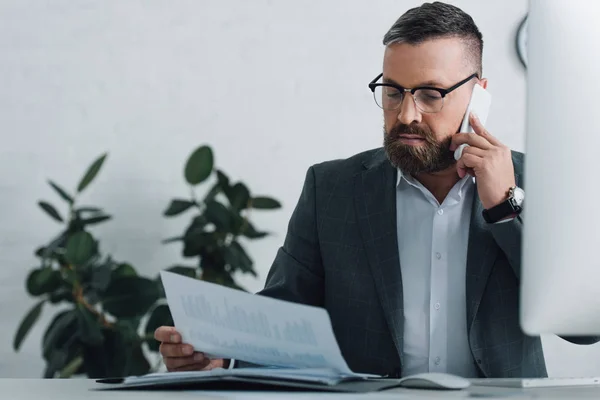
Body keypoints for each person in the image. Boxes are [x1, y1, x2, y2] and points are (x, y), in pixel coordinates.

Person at [154, 1, 599, 378]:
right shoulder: (332, 189)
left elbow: (584, 327)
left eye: (430, 94)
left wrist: (505, 208)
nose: (406, 114)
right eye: (392, 91)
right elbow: (284, 316)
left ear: (478, 94)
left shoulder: (541, 182)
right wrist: (222, 352)